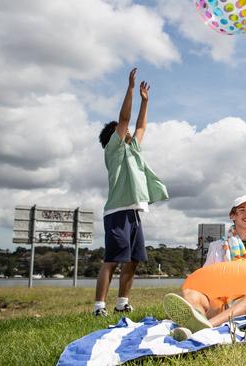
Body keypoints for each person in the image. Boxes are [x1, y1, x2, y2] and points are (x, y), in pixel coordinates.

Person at [93, 68, 169, 316]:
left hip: (134, 212)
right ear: (112, 136)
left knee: (133, 260)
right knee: (112, 261)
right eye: (119, 130)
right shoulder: (113, 151)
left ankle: (121, 303)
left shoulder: (133, 148)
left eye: (123, 131)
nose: (124, 131)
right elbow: (125, 119)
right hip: (116, 212)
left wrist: (146, 102)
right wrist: (130, 90)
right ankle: (99, 307)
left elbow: (140, 127)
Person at [163, 195, 246, 334]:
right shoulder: (218, 246)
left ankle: (206, 326)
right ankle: (196, 319)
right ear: (233, 215)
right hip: (224, 302)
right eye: (242, 210)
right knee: (189, 293)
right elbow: (207, 280)